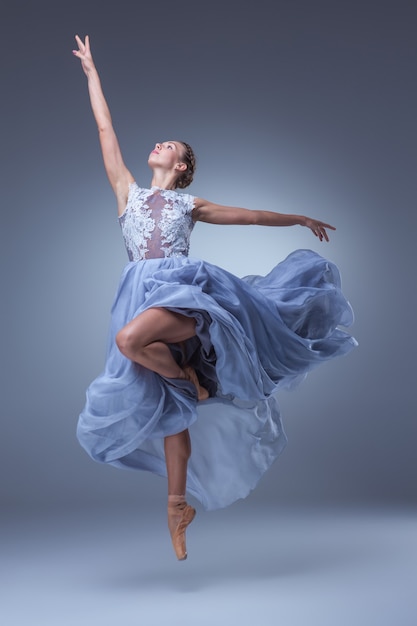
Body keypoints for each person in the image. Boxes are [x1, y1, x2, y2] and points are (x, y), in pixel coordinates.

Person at [73, 35, 357, 561]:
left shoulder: (190, 203)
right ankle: (177, 507)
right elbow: (105, 130)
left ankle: (191, 377)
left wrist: (298, 217)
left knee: (133, 341)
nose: (159, 144)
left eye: (170, 146)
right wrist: (92, 73)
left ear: (181, 167)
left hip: (184, 292)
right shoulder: (127, 191)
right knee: (167, 407)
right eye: (160, 142)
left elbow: (249, 215)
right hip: (138, 291)